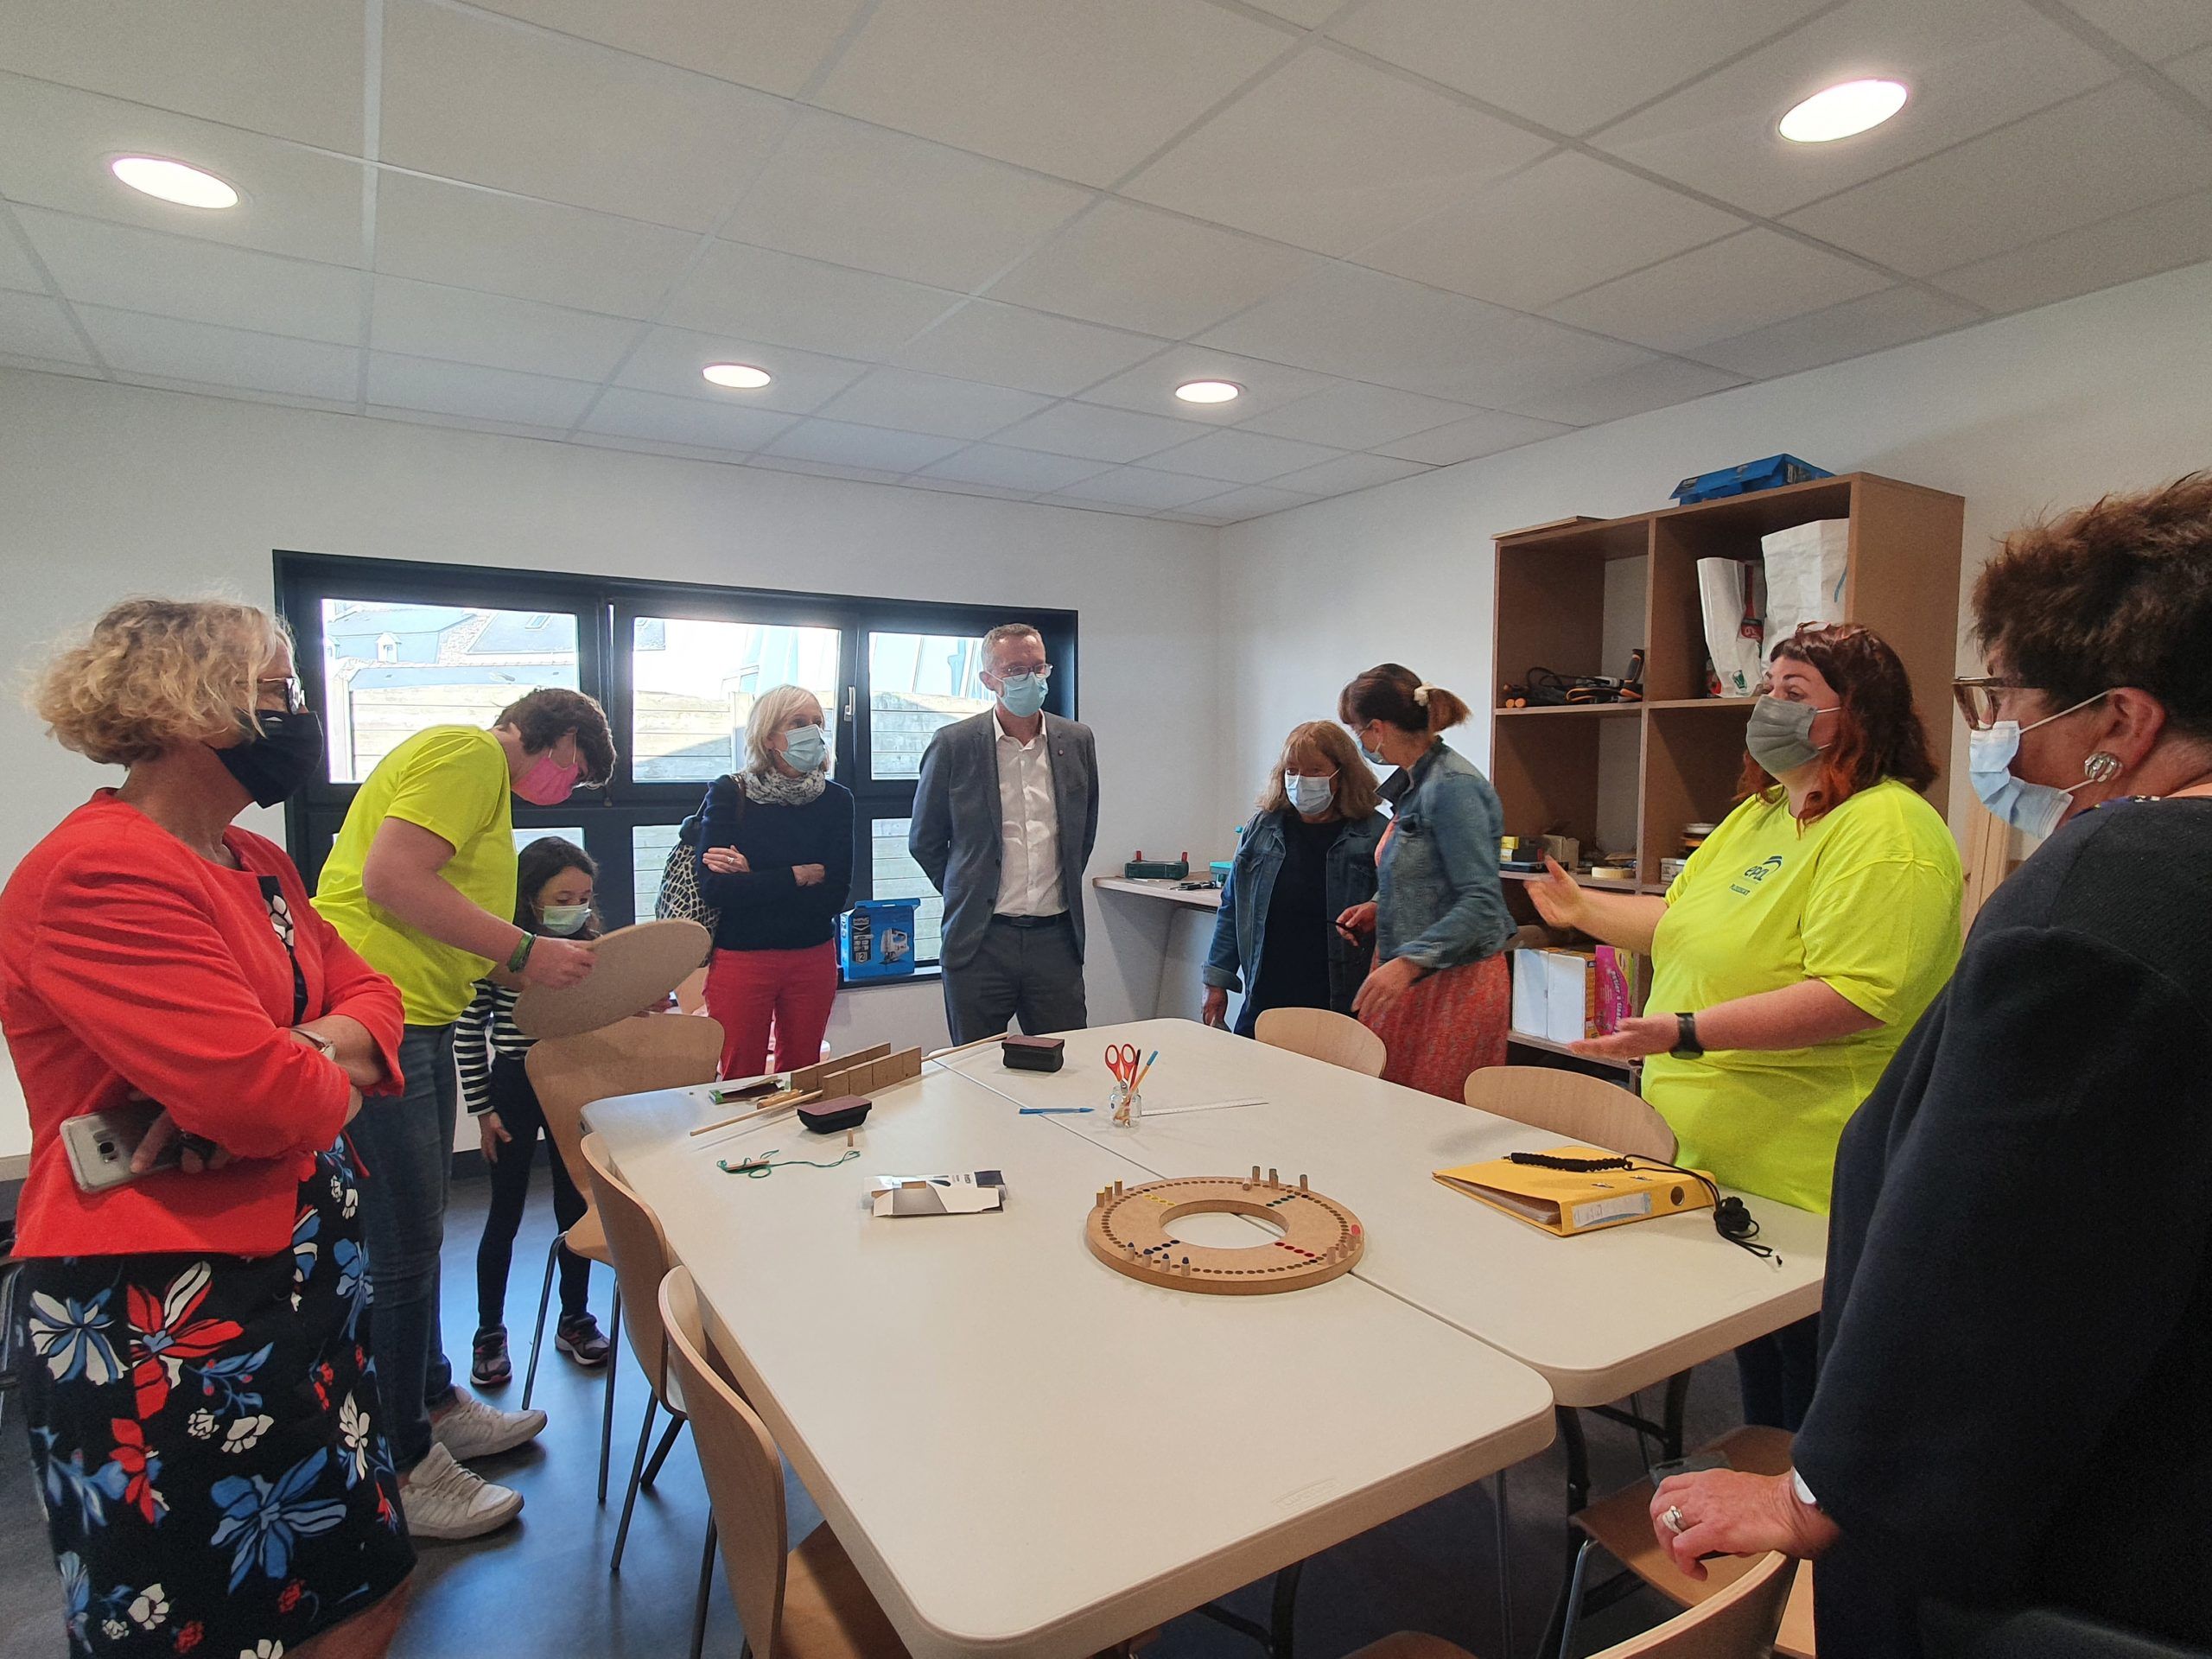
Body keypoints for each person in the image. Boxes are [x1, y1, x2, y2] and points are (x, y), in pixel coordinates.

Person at [1643, 476, 2212, 1658]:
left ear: (2122, 721)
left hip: (2057, 1541)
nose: (1998, 734)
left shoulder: (2107, 896)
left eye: (2008, 698)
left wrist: (1825, 1491)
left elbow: (1995, 1247)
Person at [3, 599, 415, 1659]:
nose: (300, 713)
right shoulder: (100, 870)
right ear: (191, 704)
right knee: (215, 1623)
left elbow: (377, 996)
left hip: (305, 1283)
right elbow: (269, 1103)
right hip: (169, 1309)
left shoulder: (256, 862)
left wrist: (299, 1053)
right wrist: (313, 1069)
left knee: (365, 1591)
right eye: (280, 690)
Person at [1533, 624, 1961, 1431]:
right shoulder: (1759, 814)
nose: (1768, 705)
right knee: (1761, 1366)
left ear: (1857, 713)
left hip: (1811, 1172)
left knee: (1813, 1385)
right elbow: (1682, 925)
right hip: (1716, 1158)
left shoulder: (1890, 830)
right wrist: (1582, 908)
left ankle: (1795, 1509)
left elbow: (1856, 995)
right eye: (1767, 687)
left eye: (1794, 692)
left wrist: (1686, 1030)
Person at [314, 685, 612, 1539]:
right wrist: (525, 949)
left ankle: (437, 1406)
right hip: (384, 1015)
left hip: (416, 1013)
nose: (563, 789)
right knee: (402, 1248)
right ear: (558, 737)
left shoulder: (477, 782)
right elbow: (390, 878)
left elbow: (447, 920)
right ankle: (405, 1465)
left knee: (417, 1239)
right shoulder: (470, 753)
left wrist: (549, 970)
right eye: (574, 773)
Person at [460, 836, 613, 1389]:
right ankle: (489, 1331)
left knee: (575, 1206)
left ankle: (575, 1318)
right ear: (529, 898)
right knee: (505, 1210)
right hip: (515, 1085)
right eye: (562, 898)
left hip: (572, 1086)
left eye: (584, 898)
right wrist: (483, 1110)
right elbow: (468, 1032)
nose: (575, 907)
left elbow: (605, 1017)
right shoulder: (502, 952)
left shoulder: (595, 950)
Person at [910, 624, 1100, 1045]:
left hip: (1055, 940)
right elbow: (925, 840)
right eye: (1015, 670)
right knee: (975, 1065)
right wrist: (969, 888)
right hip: (980, 941)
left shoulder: (1076, 740)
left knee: (1065, 1061)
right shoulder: (954, 745)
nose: (1030, 678)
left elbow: (1082, 832)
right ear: (988, 680)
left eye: (1038, 667)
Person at [1335, 664, 1513, 1099]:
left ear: (1377, 729)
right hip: (1412, 974)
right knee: (1386, 1108)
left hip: (1453, 984)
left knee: (1428, 1119)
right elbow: (1427, 871)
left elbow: (1482, 903)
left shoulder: (1454, 787)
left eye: (1358, 732)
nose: (1361, 744)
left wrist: (1410, 963)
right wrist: (1381, 904)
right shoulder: (1417, 783)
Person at [696, 686, 855, 1079]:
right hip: (743, 959)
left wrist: (754, 877)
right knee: (740, 1079)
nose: (812, 732)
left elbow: (834, 896)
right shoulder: (730, 793)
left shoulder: (837, 800)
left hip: (812, 957)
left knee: (805, 1078)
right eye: (798, 723)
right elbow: (717, 889)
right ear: (768, 737)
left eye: (817, 722)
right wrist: (798, 875)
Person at [1202, 721, 1384, 1035]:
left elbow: (1400, 899)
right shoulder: (1261, 829)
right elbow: (1232, 908)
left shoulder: (1374, 833)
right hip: (1266, 995)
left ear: (1341, 775)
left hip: (1339, 1000)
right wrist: (1215, 982)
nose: (1300, 780)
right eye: (1292, 770)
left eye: (1314, 770)